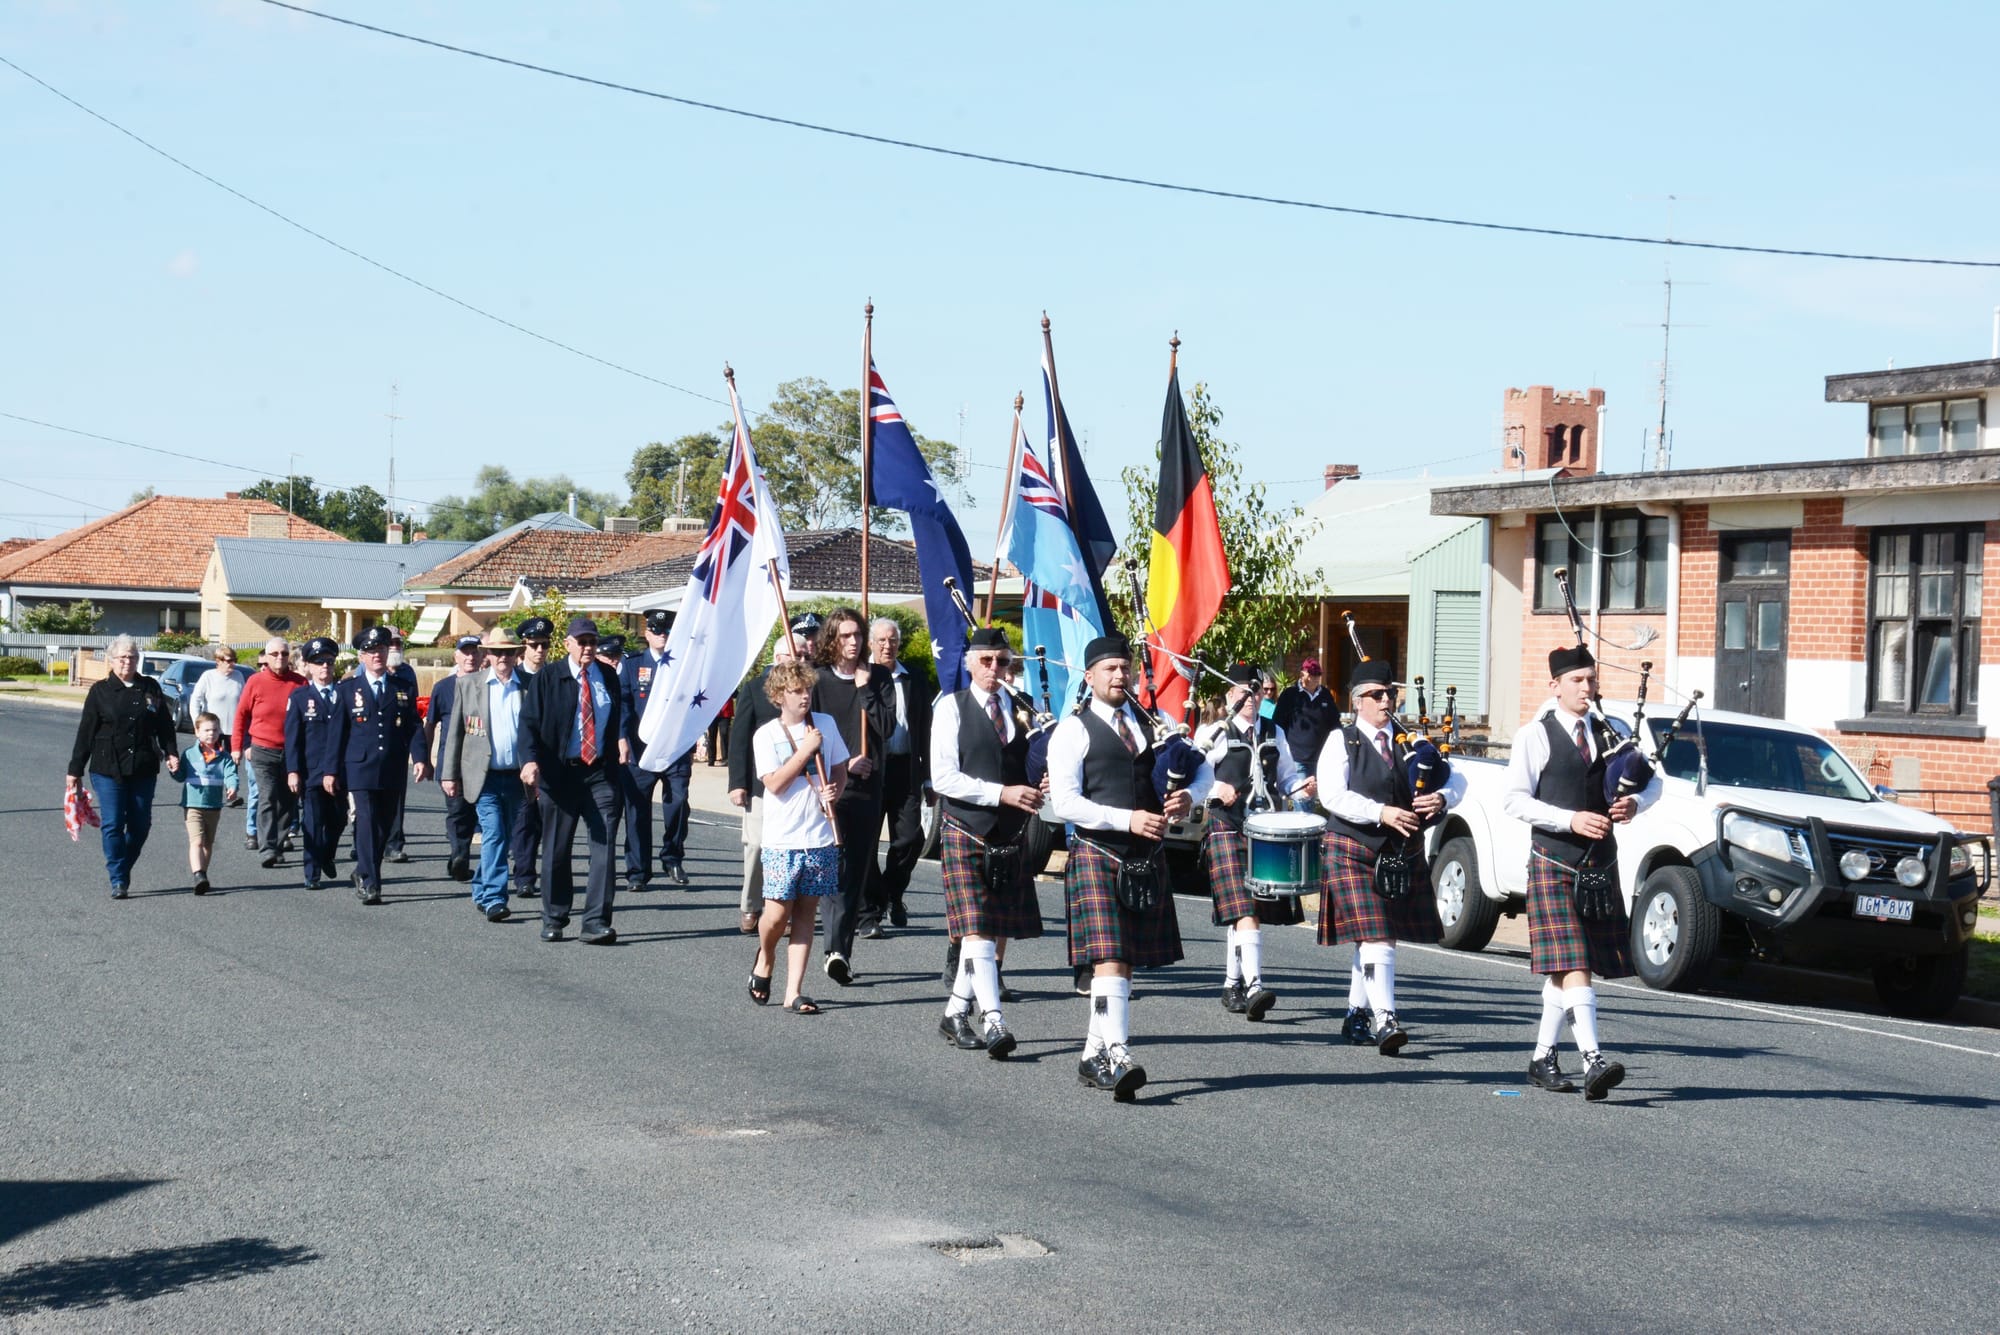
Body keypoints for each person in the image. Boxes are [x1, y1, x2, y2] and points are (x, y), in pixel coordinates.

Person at [1047, 634, 1212, 1101]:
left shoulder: (1154, 722)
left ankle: (1092, 1054)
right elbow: (1065, 802)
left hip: (1146, 858)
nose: (1119, 676)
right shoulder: (1072, 730)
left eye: (1125, 668)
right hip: (1100, 851)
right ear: (1090, 677)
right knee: (1111, 957)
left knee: (1127, 961)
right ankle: (1118, 1052)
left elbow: (1203, 768)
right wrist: (1128, 819)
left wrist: (1189, 797)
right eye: (1109, 669)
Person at [1501, 644, 1661, 1101]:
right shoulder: (1534, 734)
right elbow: (1513, 799)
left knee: (1568, 967)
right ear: (1555, 685)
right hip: (1553, 859)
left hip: (1600, 862)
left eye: (1591, 679)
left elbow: (1654, 779)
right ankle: (1593, 1059)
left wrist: (1637, 802)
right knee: (1575, 963)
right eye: (1577, 680)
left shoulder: (1613, 730)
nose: (1587, 688)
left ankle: (1542, 1057)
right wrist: (1568, 819)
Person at [1316, 658, 1466, 1055]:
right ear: (1358, 701)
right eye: (1377, 695)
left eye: (1391, 695)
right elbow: (1331, 795)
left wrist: (1443, 796)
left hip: (1398, 852)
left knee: (1377, 938)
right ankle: (1386, 1018)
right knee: (1377, 934)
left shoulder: (1409, 741)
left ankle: (1355, 1015)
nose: (1386, 702)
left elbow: (1455, 775)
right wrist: (1379, 812)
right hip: (1352, 846)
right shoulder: (1341, 740)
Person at [929, 627, 1043, 1058]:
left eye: (1002, 661)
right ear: (970, 663)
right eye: (986, 661)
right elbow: (943, 778)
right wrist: (1001, 793)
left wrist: (1036, 783)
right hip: (965, 826)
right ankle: (993, 1019)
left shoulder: (1020, 708)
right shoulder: (950, 708)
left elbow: (1023, 766)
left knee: (990, 928)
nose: (995, 669)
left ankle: (955, 1012)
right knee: (976, 927)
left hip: (1008, 831)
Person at [1195, 665, 1308, 1021]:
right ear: (1230, 695)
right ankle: (1255, 984)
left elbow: (1287, 776)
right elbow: (1191, 775)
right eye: (1243, 691)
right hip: (1227, 825)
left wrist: (1302, 787)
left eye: (1256, 691)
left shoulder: (1274, 732)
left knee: (1247, 913)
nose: (1250, 698)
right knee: (1245, 910)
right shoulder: (1215, 731)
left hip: (1263, 830)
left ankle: (1233, 983)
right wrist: (1216, 788)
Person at [748, 659, 850, 1015]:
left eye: (807, 690)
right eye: (796, 691)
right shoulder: (766, 735)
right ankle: (766, 955)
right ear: (779, 696)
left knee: (806, 913)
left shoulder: (825, 724)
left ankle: (794, 992)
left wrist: (834, 790)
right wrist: (805, 750)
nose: (805, 696)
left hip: (818, 835)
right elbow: (774, 783)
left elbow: (839, 764)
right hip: (781, 838)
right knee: (777, 916)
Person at [519, 616, 629, 944]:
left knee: (604, 845)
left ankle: (595, 921)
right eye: (581, 642)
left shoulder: (607, 675)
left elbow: (616, 719)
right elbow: (528, 724)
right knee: (556, 848)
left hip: (599, 773)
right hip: (559, 773)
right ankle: (554, 916)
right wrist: (529, 761)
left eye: (592, 642)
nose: (588, 648)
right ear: (567, 644)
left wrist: (621, 741)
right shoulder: (549, 678)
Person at [810, 608, 897, 985]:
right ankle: (834, 947)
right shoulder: (817, 681)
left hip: (865, 789)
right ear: (832, 639)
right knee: (834, 868)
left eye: (858, 635)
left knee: (857, 870)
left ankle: (839, 950)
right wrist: (837, 766)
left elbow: (887, 726)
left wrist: (865, 689)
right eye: (845, 635)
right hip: (829, 785)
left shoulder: (877, 677)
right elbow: (807, 732)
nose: (853, 642)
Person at [322, 626, 429, 905]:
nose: (377, 655)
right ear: (362, 657)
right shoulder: (348, 690)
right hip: (359, 767)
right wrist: (331, 770)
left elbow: (413, 727)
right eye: (371, 652)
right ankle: (372, 882)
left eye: (381, 650)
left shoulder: (401, 688)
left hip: (392, 766)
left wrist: (420, 758)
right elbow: (337, 733)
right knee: (367, 822)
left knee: (383, 826)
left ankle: (362, 870)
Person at [67, 636, 181, 897]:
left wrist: (171, 752)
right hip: (108, 767)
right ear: (111, 660)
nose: (127, 661)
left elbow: (164, 725)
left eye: (132, 657)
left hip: (143, 766)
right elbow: (86, 732)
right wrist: (75, 770)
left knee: (141, 825)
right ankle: (118, 878)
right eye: (122, 657)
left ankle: (122, 866)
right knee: (113, 823)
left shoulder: (150, 688)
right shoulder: (100, 691)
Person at [728, 615, 820, 935]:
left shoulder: (813, 689)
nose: (803, 660)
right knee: (756, 847)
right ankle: (751, 906)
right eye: (797, 654)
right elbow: (739, 737)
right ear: (779, 658)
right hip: (761, 785)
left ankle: (787, 907)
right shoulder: (755, 688)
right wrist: (737, 783)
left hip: (802, 786)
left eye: (807, 655)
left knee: (796, 849)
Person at [438, 626, 527, 922]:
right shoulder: (470, 684)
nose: (503, 657)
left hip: (517, 776)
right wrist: (449, 774)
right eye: (497, 652)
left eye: (508, 652)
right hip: (483, 775)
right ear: (487, 655)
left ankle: (480, 886)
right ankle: (494, 897)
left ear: (517, 655)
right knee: (495, 833)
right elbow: (456, 734)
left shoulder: (527, 685)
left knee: (506, 833)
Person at [862, 617, 932, 935]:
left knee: (910, 839)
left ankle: (894, 893)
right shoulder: (862, 679)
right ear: (871, 645)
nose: (887, 646)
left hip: (906, 769)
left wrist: (929, 776)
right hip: (871, 771)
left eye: (892, 640)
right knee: (864, 842)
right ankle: (872, 909)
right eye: (881, 641)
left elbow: (926, 730)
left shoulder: (913, 678)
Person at [619, 610, 692, 891]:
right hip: (641, 750)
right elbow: (625, 705)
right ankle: (638, 871)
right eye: (656, 630)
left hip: (675, 748)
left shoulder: (685, 665)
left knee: (677, 803)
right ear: (646, 633)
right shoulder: (633, 664)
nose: (662, 635)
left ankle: (672, 856)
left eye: (666, 630)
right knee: (637, 811)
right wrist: (622, 738)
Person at [283, 636, 348, 891]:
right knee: (312, 821)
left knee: (339, 819)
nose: (325, 667)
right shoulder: (300, 697)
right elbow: (293, 738)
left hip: (340, 770)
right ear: (308, 666)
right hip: (311, 771)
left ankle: (326, 854)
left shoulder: (345, 694)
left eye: (330, 662)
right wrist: (292, 771)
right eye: (319, 662)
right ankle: (312, 873)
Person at [233, 637, 303, 869]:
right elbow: (241, 715)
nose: (280, 658)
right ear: (267, 657)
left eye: (284, 654)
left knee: (288, 801)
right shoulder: (255, 682)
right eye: (275, 654)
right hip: (263, 749)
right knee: (268, 795)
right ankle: (267, 848)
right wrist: (238, 746)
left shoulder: (300, 683)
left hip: (292, 752)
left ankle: (279, 842)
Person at [425, 634, 486, 883]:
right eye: (466, 652)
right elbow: (430, 724)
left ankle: (462, 859)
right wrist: (425, 761)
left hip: (481, 762)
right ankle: (459, 856)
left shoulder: (489, 685)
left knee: (477, 813)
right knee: (458, 811)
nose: (470, 657)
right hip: (451, 763)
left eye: (475, 652)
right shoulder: (443, 687)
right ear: (456, 656)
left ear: (482, 656)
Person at [508, 616, 555, 899]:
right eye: (535, 645)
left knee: (550, 822)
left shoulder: (554, 676)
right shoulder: (515, 679)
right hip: (523, 759)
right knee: (525, 821)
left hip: (552, 759)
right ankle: (524, 876)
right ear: (524, 647)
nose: (540, 650)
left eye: (545, 645)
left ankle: (550, 874)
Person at [168, 711, 238, 895]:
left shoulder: (224, 757)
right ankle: (198, 874)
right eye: (206, 730)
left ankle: (203, 875)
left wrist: (232, 787)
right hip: (193, 805)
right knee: (197, 840)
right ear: (197, 732)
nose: (211, 734)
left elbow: (231, 773)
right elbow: (181, 775)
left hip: (213, 806)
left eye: (215, 730)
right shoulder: (189, 754)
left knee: (208, 843)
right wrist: (174, 769)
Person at [188, 646, 248, 829]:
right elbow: (195, 699)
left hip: (233, 728)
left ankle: (232, 793)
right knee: (211, 760)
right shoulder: (208, 677)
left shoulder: (238, 677)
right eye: (227, 660)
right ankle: (208, 791)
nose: (231, 664)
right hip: (213, 729)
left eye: (233, 660)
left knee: (231, 761)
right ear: (218, 661)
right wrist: (198, 723)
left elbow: (244, 701)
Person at [1272, 656, 1339, 812]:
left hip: (1320, 757)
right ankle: (1303, 835)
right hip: (1297, 757)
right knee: (1303, 799)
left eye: (1317, 675)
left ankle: (1310, 833)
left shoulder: (1326, 696)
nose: (1314, 678)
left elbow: (1335, 724)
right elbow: (1278, 723)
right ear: (1302, 674)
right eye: (1311, 674)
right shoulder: (1290, 695)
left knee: (1316, 799)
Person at [380, 629, 420, 863]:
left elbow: (412, 713)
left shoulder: (408, 673)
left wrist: (418, 753)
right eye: (390, 643)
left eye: (398, 643)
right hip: (370, 746)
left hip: (398, 744)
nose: (395, 647)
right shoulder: (363, 671)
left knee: (396, 797)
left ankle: (394, 843)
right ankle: (365, 840)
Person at [705, 693, 732, 766]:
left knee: (724, 734)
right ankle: (711, 759)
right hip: (712, 711)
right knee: (711, 736)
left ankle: (725, 758)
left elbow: (735, 693)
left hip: (725, 711)